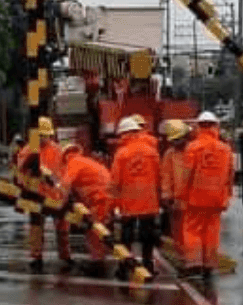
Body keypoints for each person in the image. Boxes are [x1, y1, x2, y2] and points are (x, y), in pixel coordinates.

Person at [180, 110, 234, 282]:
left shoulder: (193, 147)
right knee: (212, 232)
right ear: (215, 126)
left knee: (192, 231)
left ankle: (194, 264)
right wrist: (227, 196)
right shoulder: (225, 149)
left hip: (196, 198)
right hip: (217, 199)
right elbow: (230, 176)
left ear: (199, 126)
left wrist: (181, 195)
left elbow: (187, 174)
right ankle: (209, 265)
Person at [16, 116, 73, 274]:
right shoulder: (28, 151)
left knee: (62, 228)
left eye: (45, 135)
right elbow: (20, 172)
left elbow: (66, 172)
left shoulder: (57, 150)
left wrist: (65, 190)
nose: (43, 138)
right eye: (40, 135)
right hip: (36, 194)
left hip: (55, 195)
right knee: (36, 227)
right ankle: (36, 257)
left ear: (50, 135)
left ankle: (65, 255)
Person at [109, 115, 161, 277]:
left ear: (124, 133)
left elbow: (115, 180)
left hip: (128, 200)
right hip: (148, 200)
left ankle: (123, 267)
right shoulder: (152, 151)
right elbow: (159, 176)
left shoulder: (121, 153)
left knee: (126, 235)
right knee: (147, 234)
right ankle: (148, 264)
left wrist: (113, 203)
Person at [59, 142, 114, 276]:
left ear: (65, 156)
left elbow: (66, 185)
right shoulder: (86, 162)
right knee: (96, 230)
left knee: (94, 231)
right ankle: (97, 261)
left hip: (100, 199)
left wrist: (60, 203)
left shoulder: (74, 163)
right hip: (105, 197)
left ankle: (97, 264)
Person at [159, 118, 191, 250]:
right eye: (174, 140)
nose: (176, 143)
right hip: (178, 202)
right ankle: (181, 253)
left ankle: (190, 255)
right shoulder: (170, 154)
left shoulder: (194, 151)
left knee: (191, 232)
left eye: (178, 139)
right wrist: (167, 196)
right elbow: (166, 176)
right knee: (178, 231)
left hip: (193, 201)